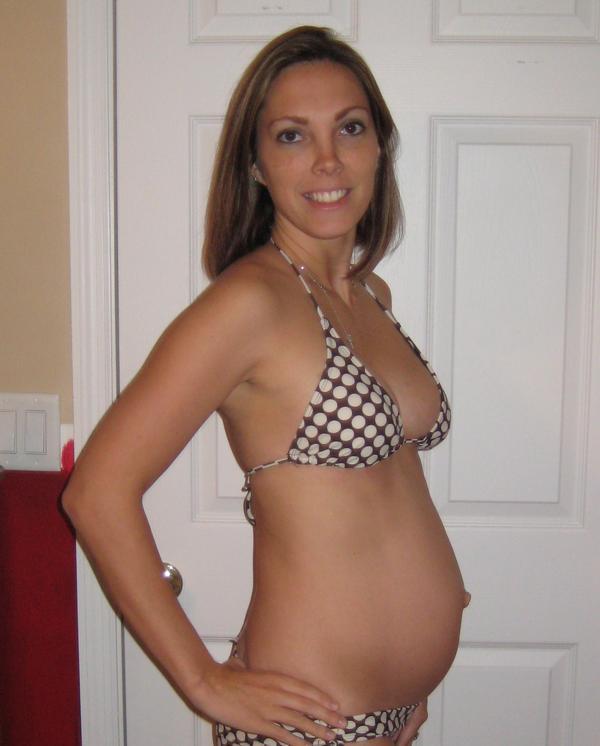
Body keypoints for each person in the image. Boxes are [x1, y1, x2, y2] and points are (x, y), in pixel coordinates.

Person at [62, 25, 471, 746]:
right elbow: (95, 493)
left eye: (350, 128)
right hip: (308, 723)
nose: (327, 159)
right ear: (254, 165)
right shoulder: (247, 304)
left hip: (395, 717)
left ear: (380, 146)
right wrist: (202, 681)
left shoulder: (370, 295)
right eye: (291, 136)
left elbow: (384, 488)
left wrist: (414, 672)